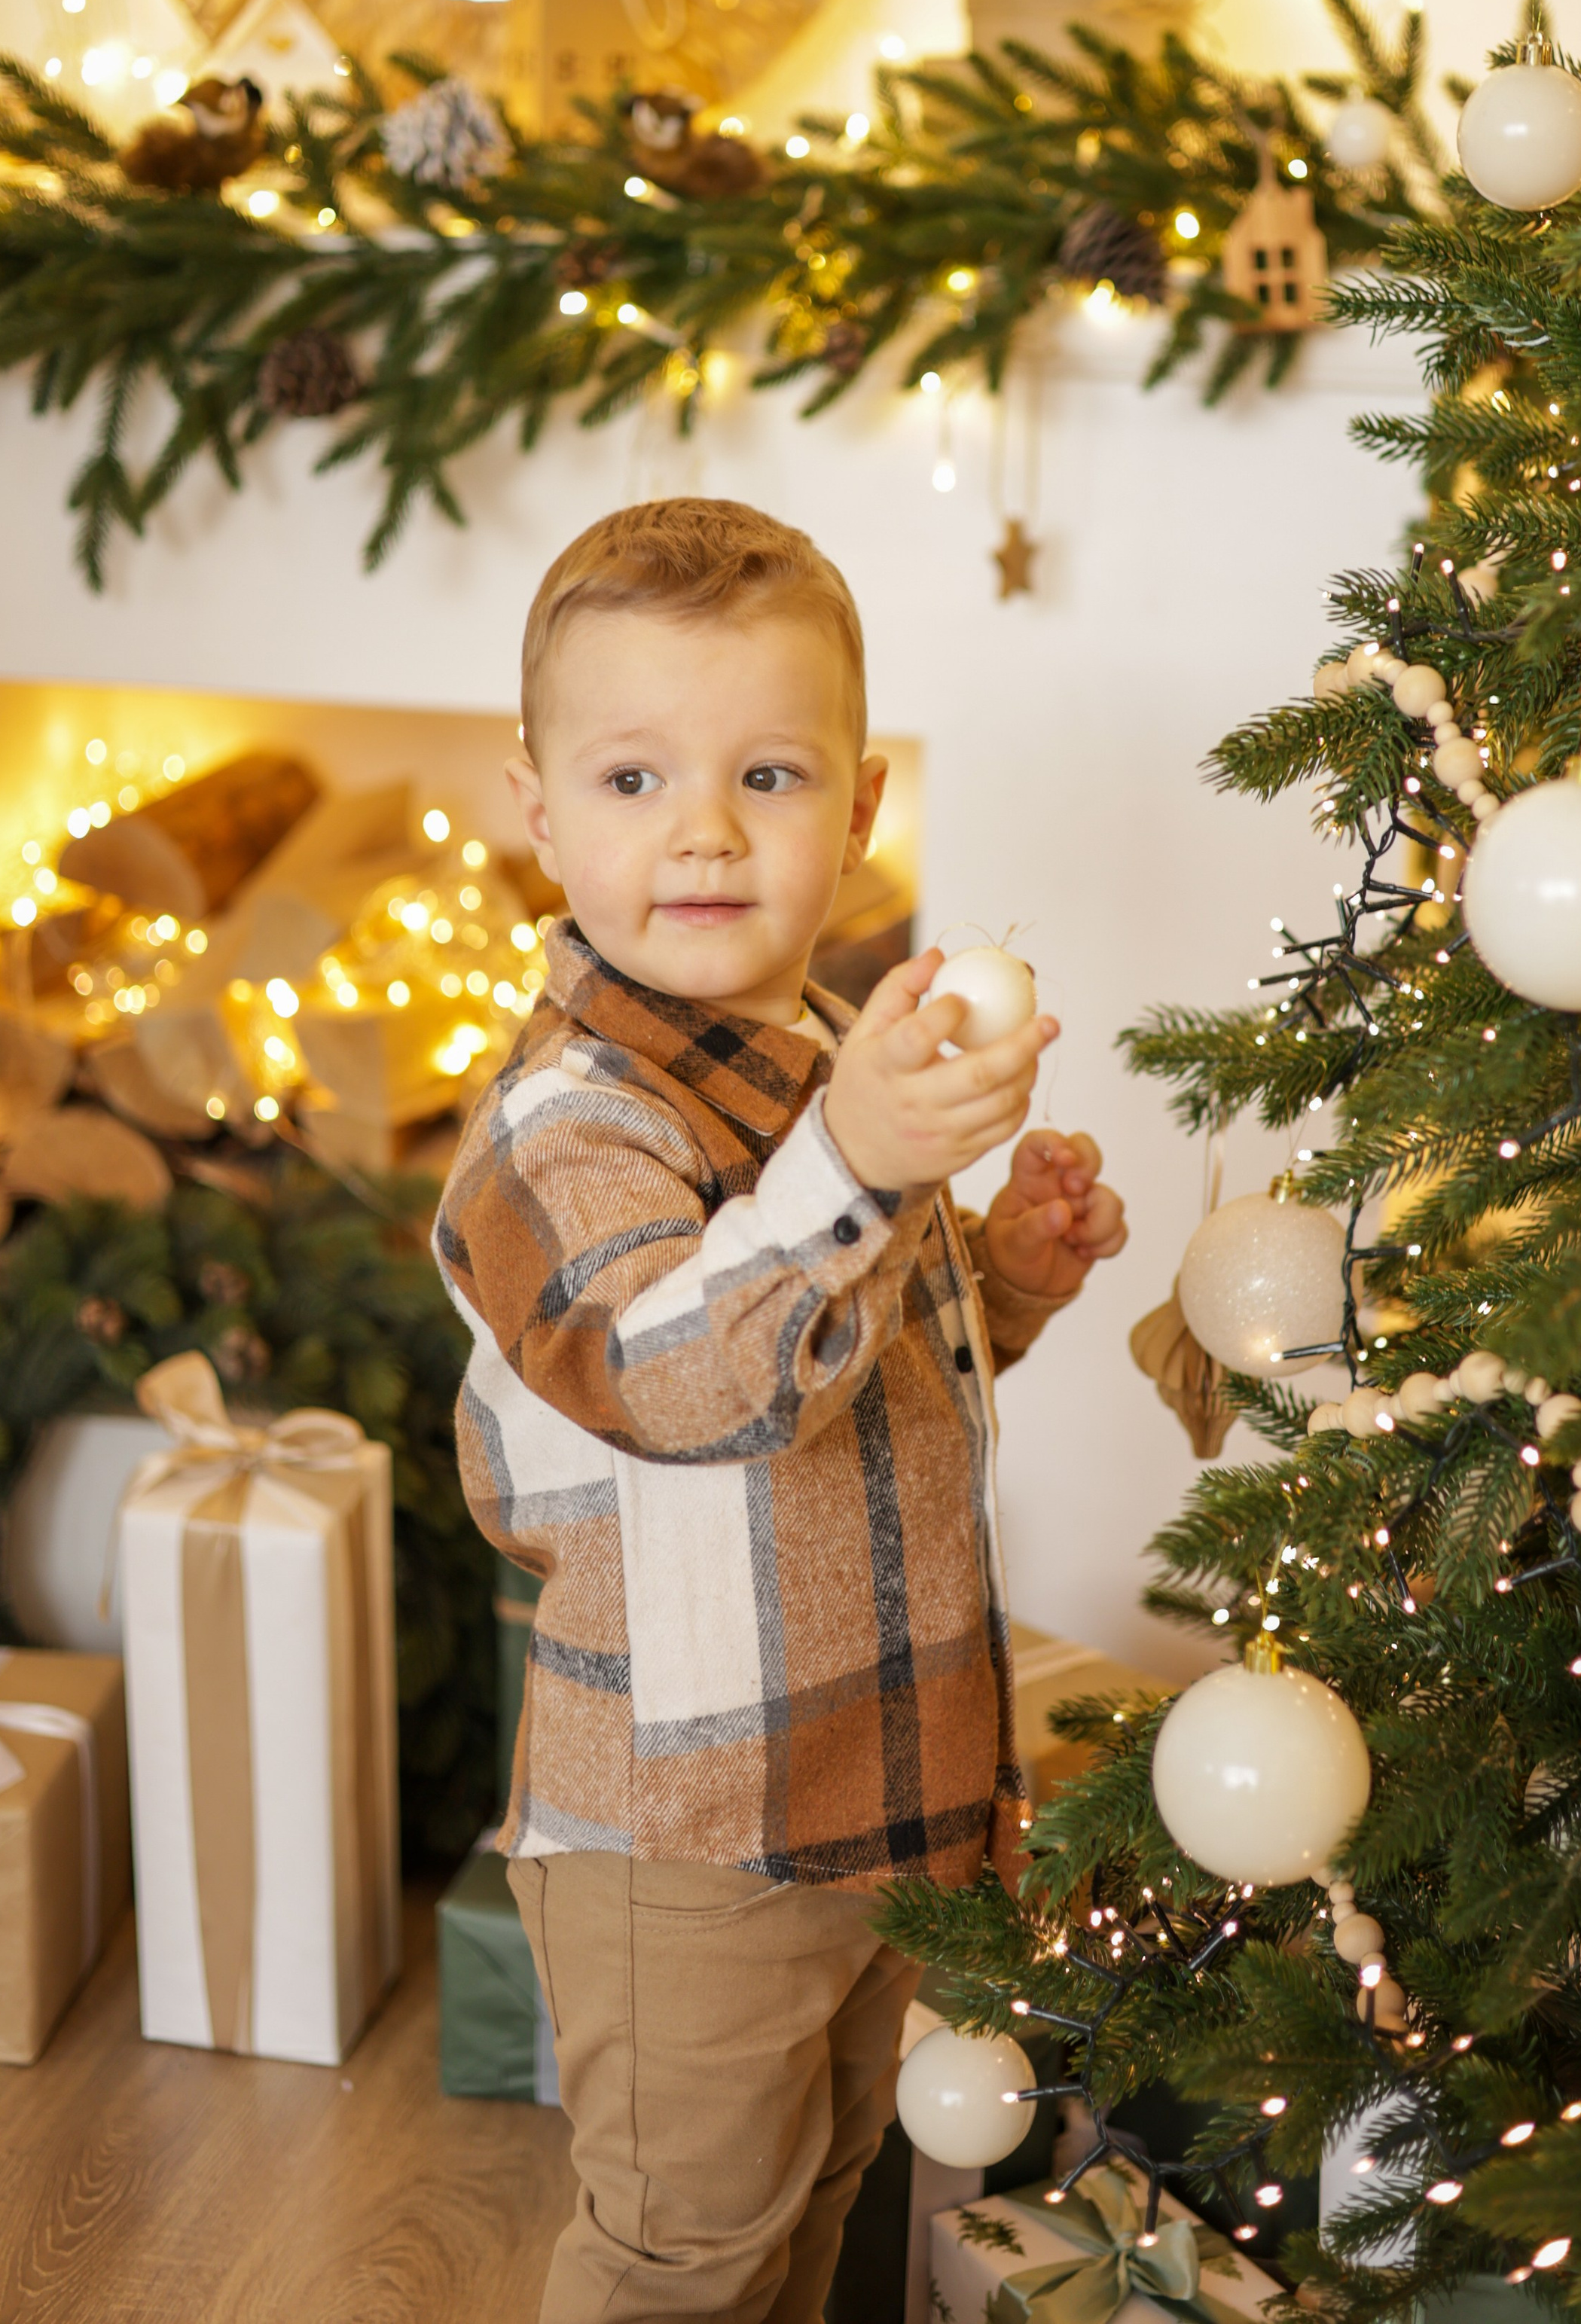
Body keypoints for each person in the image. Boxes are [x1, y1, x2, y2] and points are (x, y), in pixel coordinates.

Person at [438, 497, 1128, 2324]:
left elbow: (856, 1387)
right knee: (684, 2252)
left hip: (880, 1790)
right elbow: (684, 1379)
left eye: (766, 774)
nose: (705, 832)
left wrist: (1005, 1279)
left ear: (859, 805)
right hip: (686, 1837)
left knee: (813, 2199)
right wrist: (864, 1164)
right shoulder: (562, 1129)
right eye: (633, 778)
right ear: (538, 812)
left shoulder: (828, 1064)